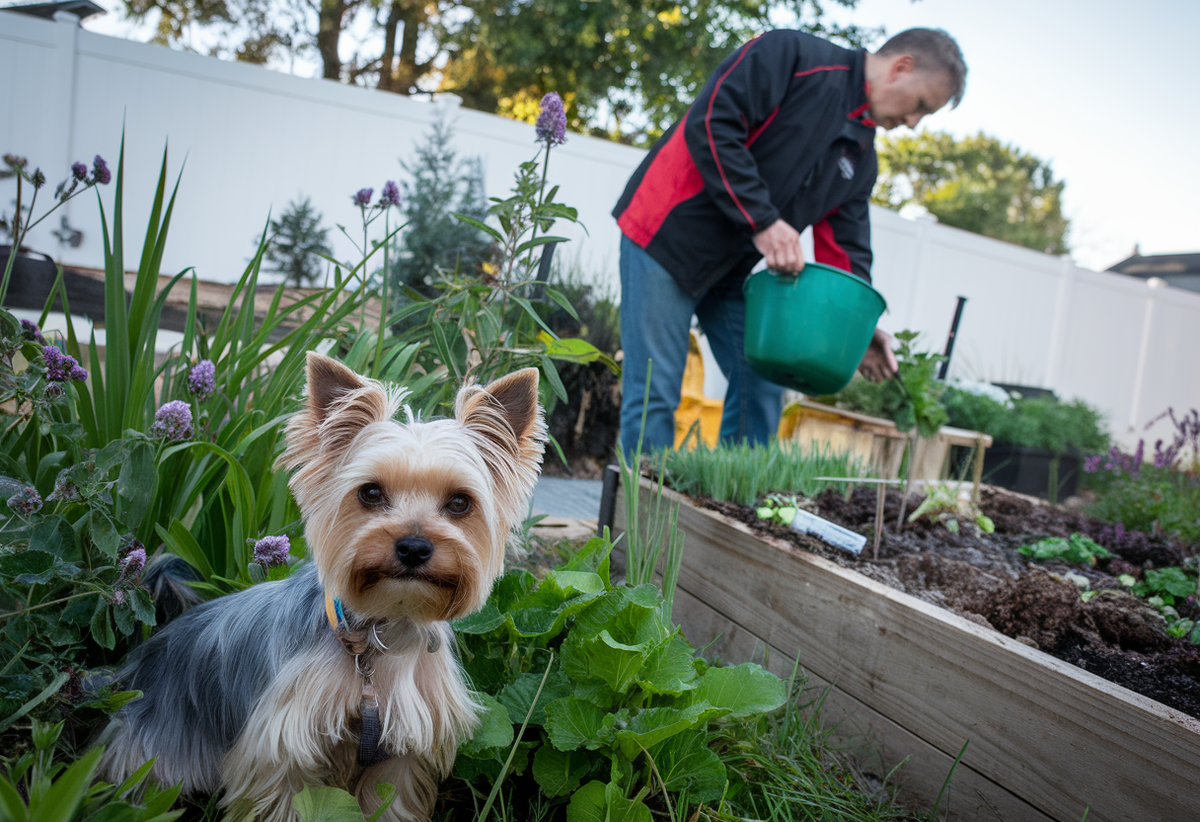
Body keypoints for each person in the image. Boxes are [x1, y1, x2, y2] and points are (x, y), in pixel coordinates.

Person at [613, 27, 967, 457]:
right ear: (901, 67)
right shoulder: (794, 57)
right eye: (921, 107)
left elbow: (846, 248)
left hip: (731, 268)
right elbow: (713, 123)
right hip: (665, 236)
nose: (913, 123)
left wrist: (856, 329)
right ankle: (640, 522)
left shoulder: (860, 155)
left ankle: (730, 512)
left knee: (763, 381)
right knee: (656, 393)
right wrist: (763, 220)